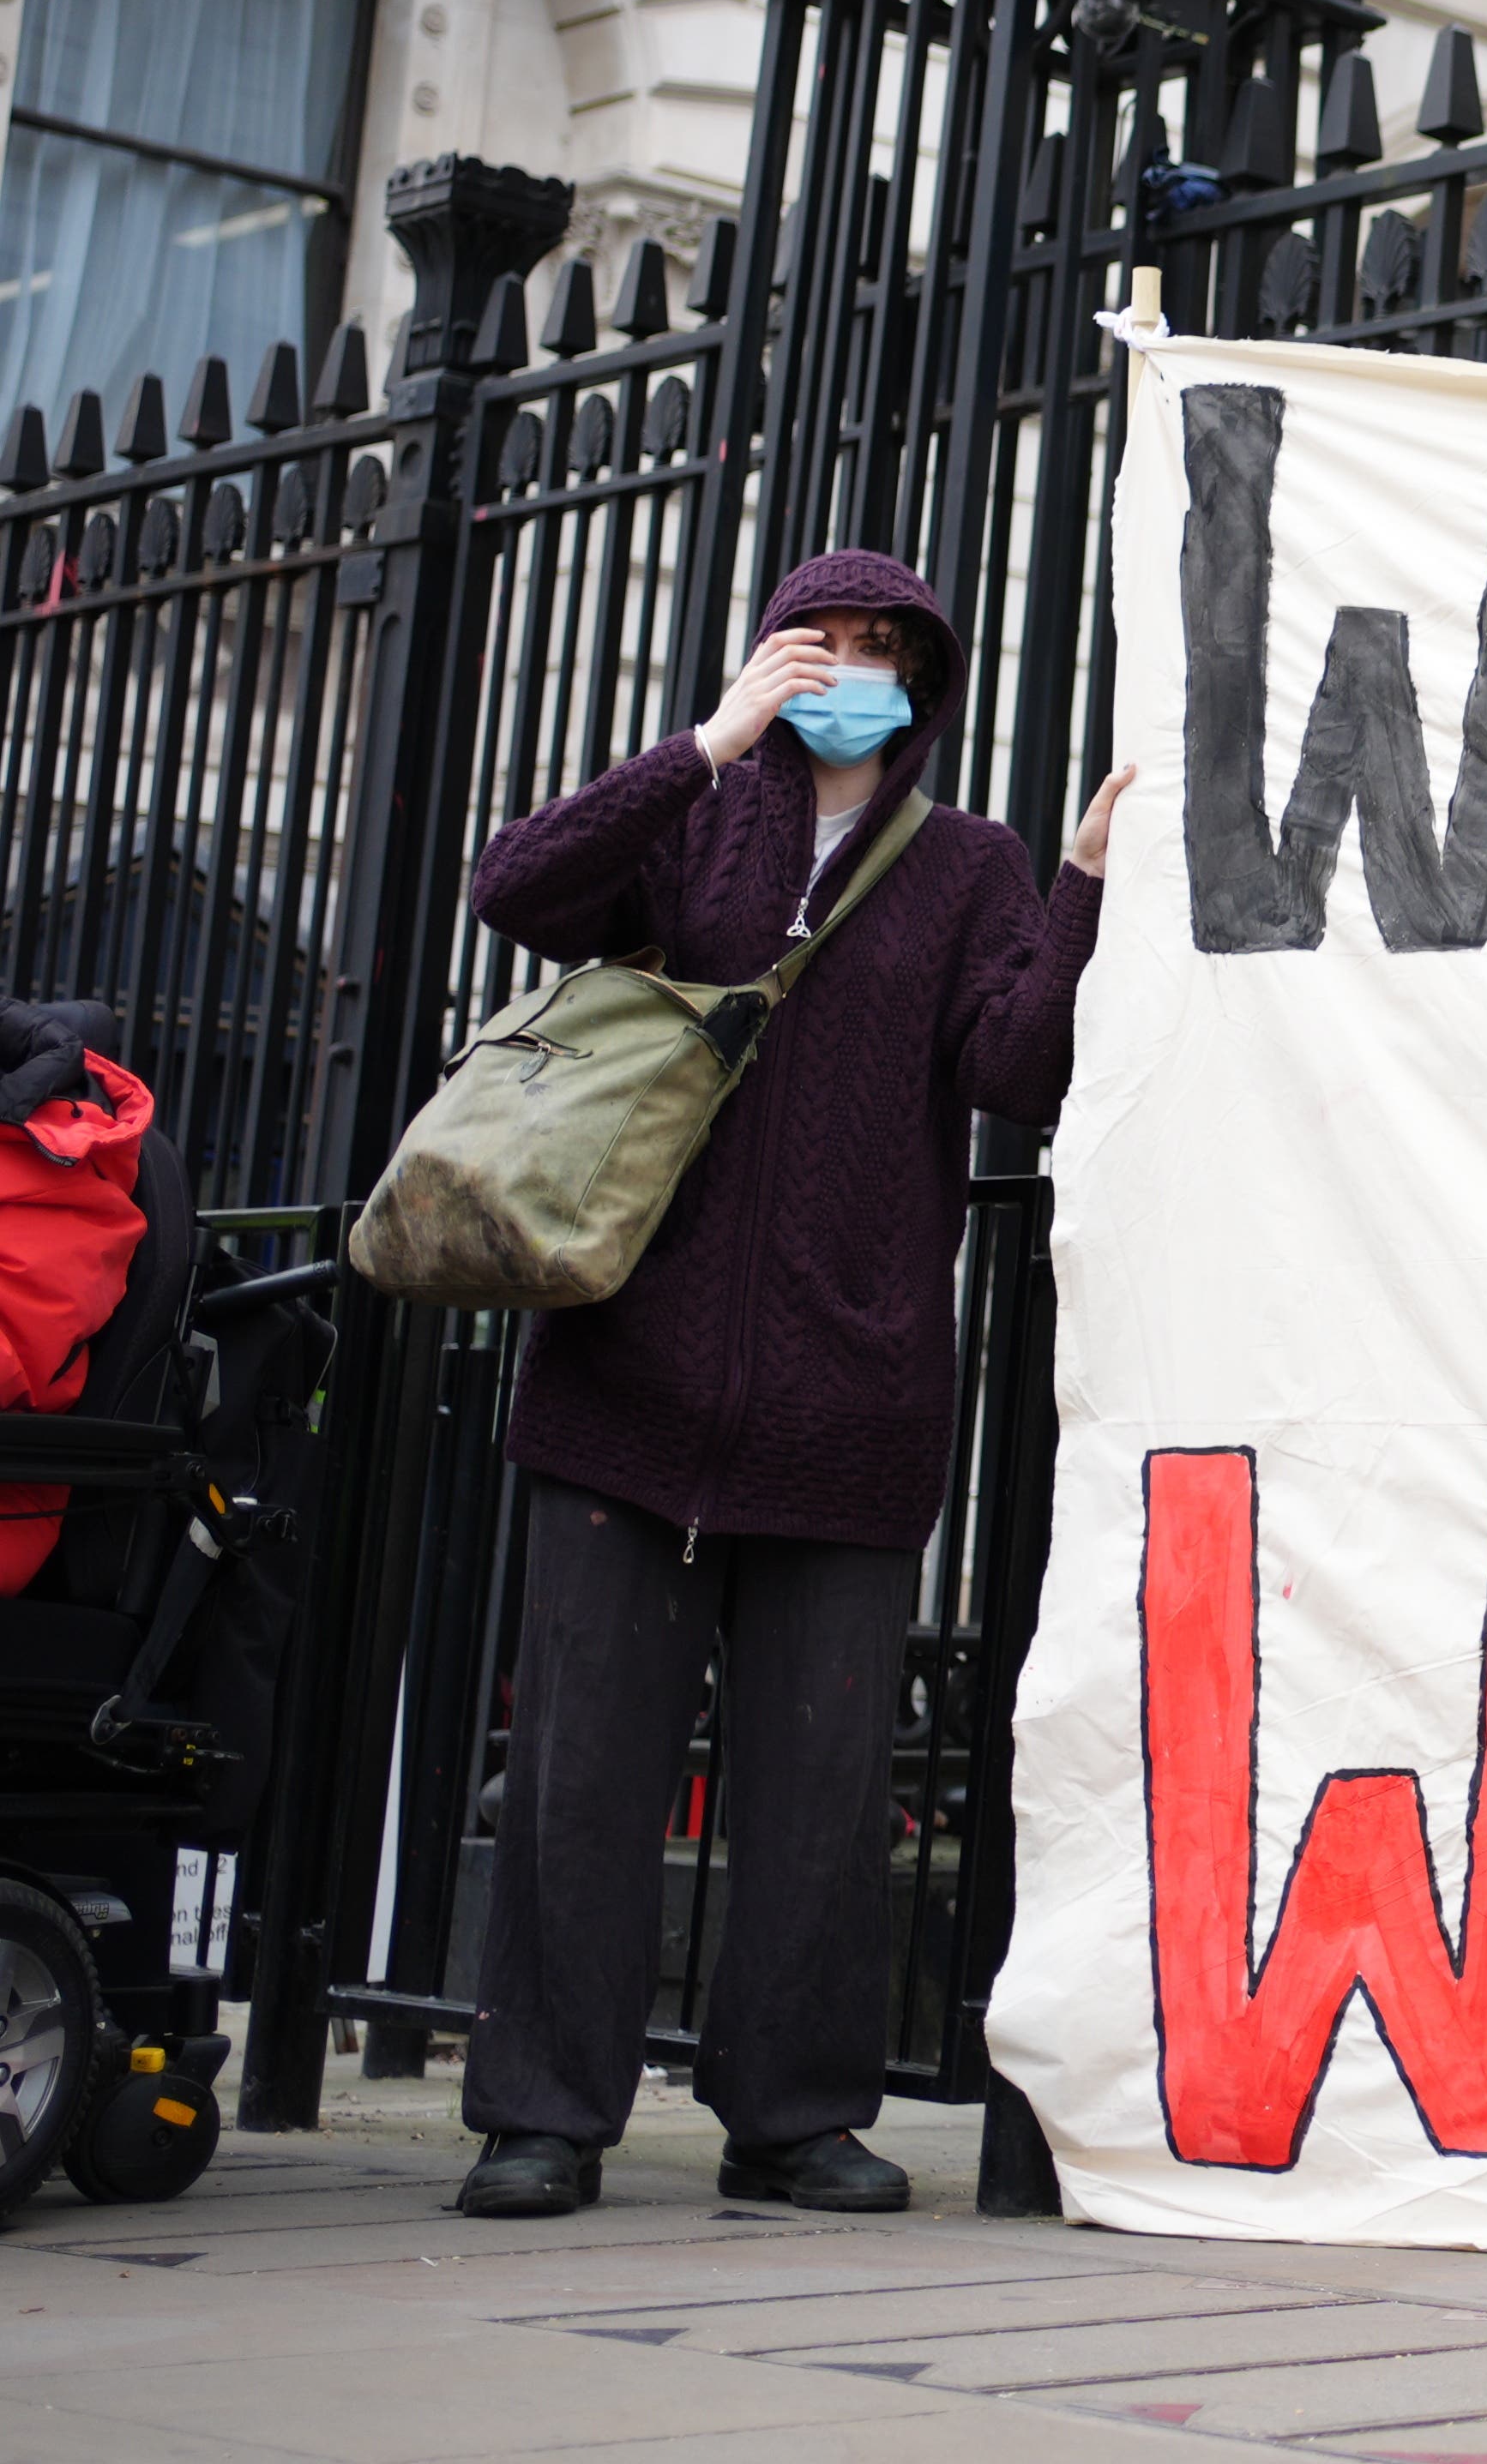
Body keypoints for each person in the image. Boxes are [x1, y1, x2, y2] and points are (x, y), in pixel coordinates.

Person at [446, 553, 1133, 2222]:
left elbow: (1019, 1071)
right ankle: (545, 2111)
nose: (859, 671)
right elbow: (514, 887)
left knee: (821, 1796)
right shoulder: (693, 827)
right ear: (773, 652)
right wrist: (703, 744)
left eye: (894, 651)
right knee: (581, 1787)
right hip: (626, 1387)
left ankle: (794, 2115)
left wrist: (1087, 882)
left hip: (850, 1407)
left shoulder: (964, 865)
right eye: (829, 643)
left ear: (928, 684)